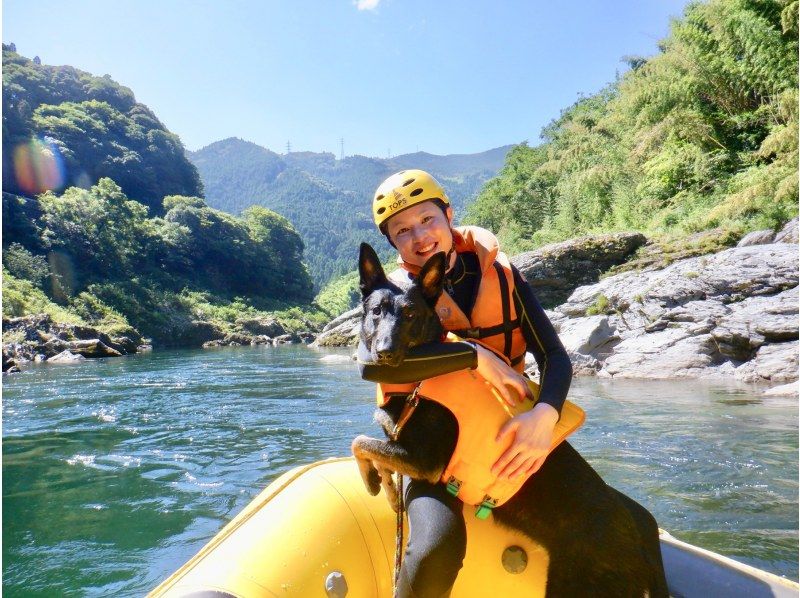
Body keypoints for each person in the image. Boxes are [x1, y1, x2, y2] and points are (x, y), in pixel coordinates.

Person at [358, 169, 572, 598]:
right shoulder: (390, 296)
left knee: (594, 523)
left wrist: (544, 418)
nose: (419, 237)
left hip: (504, 423)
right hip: (428, 440)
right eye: (402, 231)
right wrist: (477, 358)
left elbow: (555, 358)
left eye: (427, 220)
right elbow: (373, 366)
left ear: (449, 214)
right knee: (436, 546)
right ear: (393, 245)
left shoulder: (503, 275)